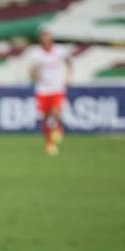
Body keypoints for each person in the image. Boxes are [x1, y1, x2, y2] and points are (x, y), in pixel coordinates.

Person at [29, 28, 72, 156]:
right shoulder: (36, 53)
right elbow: (32, 70)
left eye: (48, 38)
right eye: (43, 38)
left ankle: (58, 128)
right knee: (46, 118)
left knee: (56, 111)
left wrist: (69, 76)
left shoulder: (60, 51)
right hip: (42, 90)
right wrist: (36, 76)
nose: (46, 41)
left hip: (57, 88)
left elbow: (69, 62)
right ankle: (49, 143)